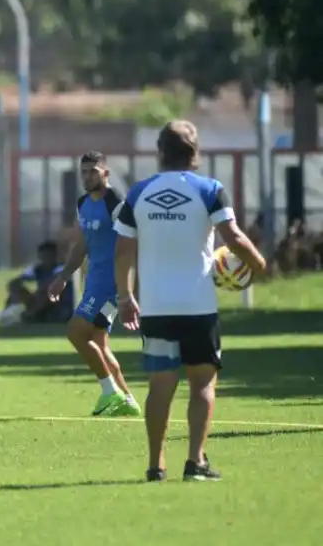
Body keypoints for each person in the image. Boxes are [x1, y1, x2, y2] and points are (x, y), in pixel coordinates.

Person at [113, 120, 266, 482]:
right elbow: (234, 237)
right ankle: (195, 462)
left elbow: (122, 252)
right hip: (198, 306)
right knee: (202, 385)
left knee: (159, 388)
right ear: (195, 153)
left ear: (160, 151)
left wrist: (125, 295)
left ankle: (155, 465)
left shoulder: (137, 194)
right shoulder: (211, 189)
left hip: (156, 307)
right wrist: (259, 265)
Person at [48, 151, 140, 418]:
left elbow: (130, 247)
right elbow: (84, 244)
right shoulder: (83, 203)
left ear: (106, 173)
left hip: (110, 286)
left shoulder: (117, 204)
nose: (88, 177)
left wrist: (128, 293)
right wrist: (63, 276)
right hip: (94, 283)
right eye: (84, 172)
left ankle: (110, 392)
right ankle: (128, 399)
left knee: (76, 333)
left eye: (93, 171)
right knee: (99, 342)